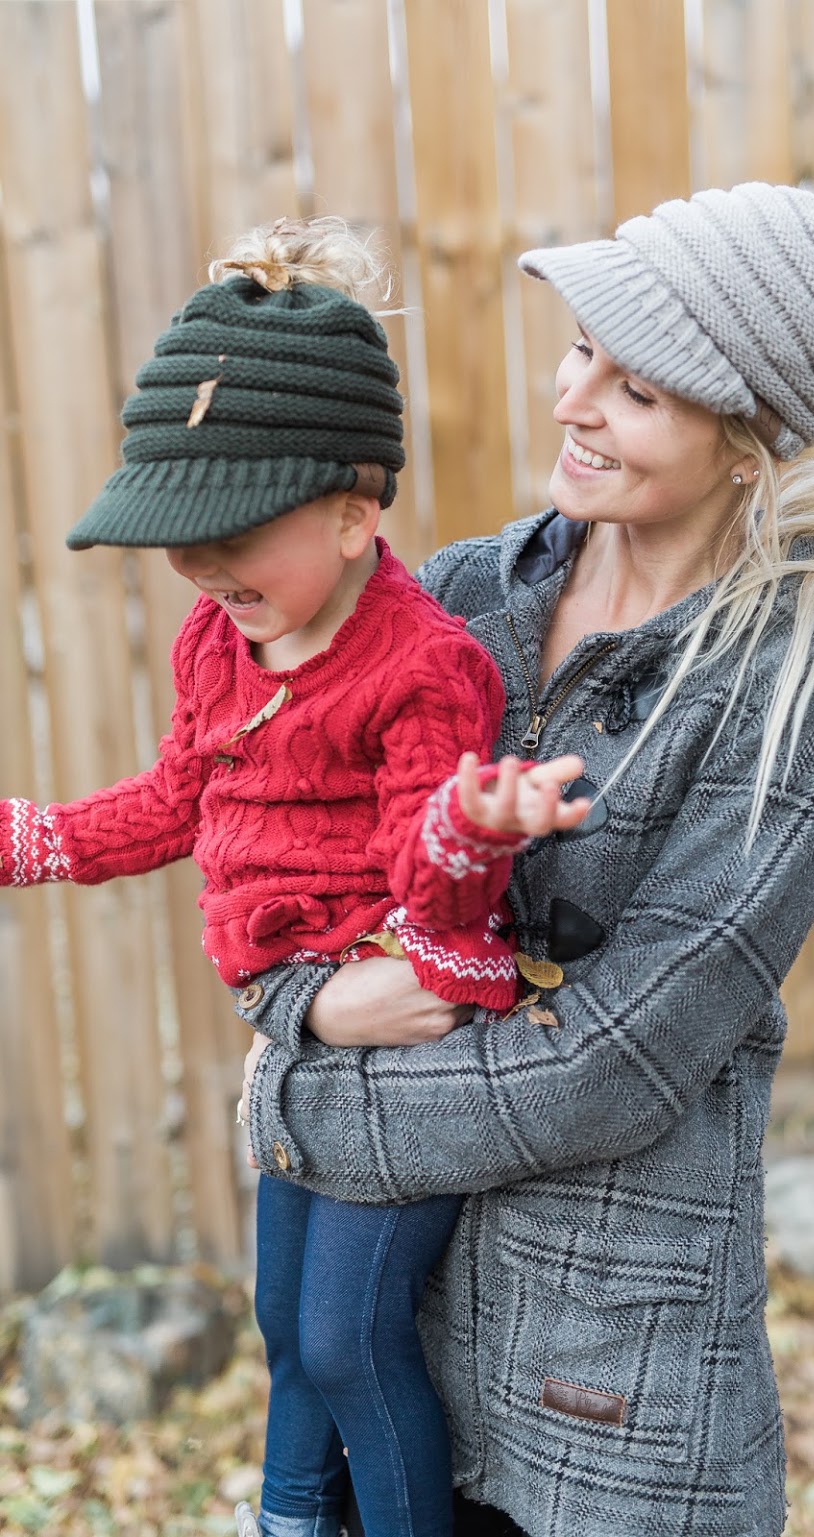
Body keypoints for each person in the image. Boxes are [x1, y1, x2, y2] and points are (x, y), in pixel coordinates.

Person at [235, 183, 814, 1537]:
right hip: (394, 1332)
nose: (573, 399)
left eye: (637, 390)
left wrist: (296, 1097)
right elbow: (283, 854)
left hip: (606, 1384)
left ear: (753, 445)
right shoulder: (460, 595)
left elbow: (620, 1057)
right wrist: (305, 1002)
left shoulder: (801, 681)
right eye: (583, 348)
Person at [0, 217, 588, 1537]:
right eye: (180, 534)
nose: (203, 566)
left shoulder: (421, 668)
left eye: (236, 531)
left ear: (353, 512)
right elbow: (179, 799)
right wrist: (33, 838)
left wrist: (473, 830)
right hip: (300, 1033)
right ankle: (289, 1517)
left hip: (408, 1041)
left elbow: (435, 896)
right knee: (283, 1320)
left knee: (347, 1338)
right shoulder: (219, 641)